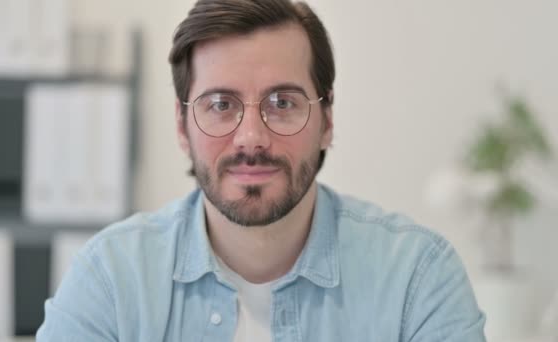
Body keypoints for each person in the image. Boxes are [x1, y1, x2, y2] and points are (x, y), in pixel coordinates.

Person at [36, 0, 486, 341]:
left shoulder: (417, 279)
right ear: (181, 124)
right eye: (220, 105)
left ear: (327, 121)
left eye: (283, 103)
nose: (251, 137)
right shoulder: (111, 280)